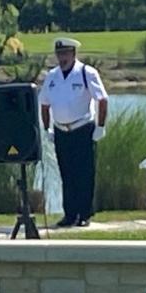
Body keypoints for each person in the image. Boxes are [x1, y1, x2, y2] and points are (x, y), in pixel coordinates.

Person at [40, 38, 108, 227]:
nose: (62, 58)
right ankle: (69, 214)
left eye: (65, 54)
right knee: (66, 174)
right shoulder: (52, 76)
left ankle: (84, 214)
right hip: (62, 131)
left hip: (82, 128)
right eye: (59, 54)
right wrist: (47, 129)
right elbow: (44, 104)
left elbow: (102, 100)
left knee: (84, 174)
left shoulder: (86, 73)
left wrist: (100, 126)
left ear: (73, 54)